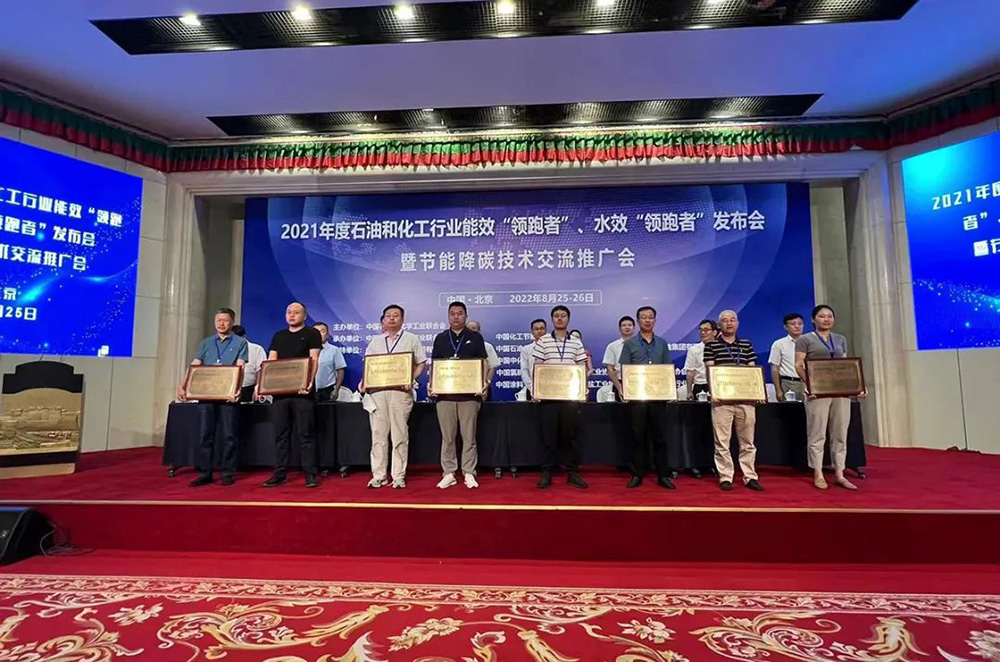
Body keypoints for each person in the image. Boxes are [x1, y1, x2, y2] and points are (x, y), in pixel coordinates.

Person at [795, 304, 865, 490]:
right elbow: (799, 365)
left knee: (840, 433)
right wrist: (810, 384)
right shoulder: (805, 339)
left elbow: (847, 366)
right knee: (817, 433)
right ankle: (818, 472)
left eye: (829, 316)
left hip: (840, 392)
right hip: (817, 393)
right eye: (822, 316)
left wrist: (857, 386)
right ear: (813, 319)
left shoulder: (840, 339)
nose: (826, 319)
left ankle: (839, 473)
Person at [177, 308, 248, 487]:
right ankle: (205, 473)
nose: (221, 323)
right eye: (218, 320)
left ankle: (227, 473)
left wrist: (237, 389)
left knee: (229, 436)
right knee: (204, 435)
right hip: (206, 395)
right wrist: (183, 385)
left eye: (225, 320)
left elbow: (240, 367)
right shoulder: (206, 343)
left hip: (228, 396)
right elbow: (195, 365)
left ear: (232, 322)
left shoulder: (240, 343)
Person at [360, 304, 427, 489]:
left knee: (399, 435)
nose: (392, 318)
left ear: (402, 320)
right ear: (383, 320)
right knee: (378, 435)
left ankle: (398, 475)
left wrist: (411, 378)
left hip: (400, 392)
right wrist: (364, 382)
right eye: (388, 315)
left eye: (396, 315)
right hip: (378, 393)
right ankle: (379, 475)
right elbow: (369, 366)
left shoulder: (411, 339)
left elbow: (421, 363)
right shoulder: (375, 341)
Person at [260, 302, 323, 488]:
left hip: (303, 392)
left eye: (296, 312)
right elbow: (271, 362)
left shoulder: (312, 333)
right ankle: (280, 473)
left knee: (306, 434)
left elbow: (314, 359)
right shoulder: (279, 336)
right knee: (281, 435)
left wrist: (309, 381)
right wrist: (264, 384)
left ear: (304, 316)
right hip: (280, 393)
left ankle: (310, 474)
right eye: (289, 312)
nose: (292, 315)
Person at [431, 302, 489, 489]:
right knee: (447, 438)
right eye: (452, 313)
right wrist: (433, 385)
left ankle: (469, 472)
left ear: (466, 316)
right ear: (448, 316)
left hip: (469, 396)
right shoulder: (441, 338)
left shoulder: (475, 337)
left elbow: (483, 362)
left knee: (469, 437)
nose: (456, 317)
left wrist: (483, 383)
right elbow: (435, 365)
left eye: (460, 313)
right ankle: (449, 473)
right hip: (445, 397)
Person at [704, 310, 763, 492]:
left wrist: (756, 392)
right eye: (724, 320)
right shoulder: (711, 345)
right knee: (722, 442)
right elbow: (709, 370)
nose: (729, 323)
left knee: (748, 442)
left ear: (737, 323)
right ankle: (725, 476)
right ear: (719, 325)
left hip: (745, 401)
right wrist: (714, 391)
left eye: (732, 320)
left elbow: (752, 370)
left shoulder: (746, 344)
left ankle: (750, 476)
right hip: (722, 402)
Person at [618, 306, 675, 489]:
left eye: (650, 317)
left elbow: (666, 369)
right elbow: (624, 370)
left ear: (655, 321)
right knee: (638, 437)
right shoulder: (629, 344)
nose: (647, 320)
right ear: (638, 321)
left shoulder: (662, 343)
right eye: (643, 317)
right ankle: (637, 474)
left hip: (658, 397)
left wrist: (668, 391)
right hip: (637, 399)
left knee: (660, 437)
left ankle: (663, 475)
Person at [533, 306, 589, 489]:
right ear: (552, 320)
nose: (559, 319)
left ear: (568, 319)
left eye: (563, 316)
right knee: (548, 437)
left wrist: (582, 390)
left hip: (570, 398)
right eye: (556, 316)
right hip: (548, 398)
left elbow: (582, 368)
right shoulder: (543, 341)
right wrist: (536, 390)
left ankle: (573, 472)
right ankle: (546, 473)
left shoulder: (576, 342)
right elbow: (538, 367)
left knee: (570, 437)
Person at [769, 313, 806, 402]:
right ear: (786, 327)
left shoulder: (810, 342)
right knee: (790, 410)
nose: (797, 326)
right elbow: (775, 368)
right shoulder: (779, 344)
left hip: (808, 383)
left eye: (800, 324)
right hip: (789, 384)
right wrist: (778, 390)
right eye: (793, 324)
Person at [684, 319, 717, 401]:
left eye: (706, 330)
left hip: (718, 385)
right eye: (701, 330)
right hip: (700, 385)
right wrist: (689, 391)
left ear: (714, 332)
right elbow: (690, 372)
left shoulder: (721, 348)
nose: (703, 332)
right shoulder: (694, 349)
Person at [313, 322, 347, 402]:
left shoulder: (334, 350)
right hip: (310, 392)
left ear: (327, 335)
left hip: (327, 391)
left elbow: (340, 371)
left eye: (322, 331)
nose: (319, 334)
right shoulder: (306, 350)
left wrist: (336, 389)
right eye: (316, 332)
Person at [603, 316, 635, 401]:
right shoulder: (612, 346)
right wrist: (619, 387)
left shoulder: (641, 346)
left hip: (637, 381)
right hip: (619, 382)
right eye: (624, 325)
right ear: (619, 328)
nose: (627, 327)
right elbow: (610, 369)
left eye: (629, 325)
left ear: (634, 328)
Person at [466, 320, 499, 399]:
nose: (471, 331)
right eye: (468, 328)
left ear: (479, 331)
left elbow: (492, 367)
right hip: (464, 385)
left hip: (483, 386)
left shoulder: (487, 346)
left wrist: (487, 383)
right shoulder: (460, 347)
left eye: (473, 328)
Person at [233, 325, 266, 403]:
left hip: (250, 388)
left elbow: (261, 370)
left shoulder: (256, 349)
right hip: (230, 388)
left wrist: (258, 388)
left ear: (244, 336)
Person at [519, 318, 548, 399]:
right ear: (532, 332)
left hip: (550, 389)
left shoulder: (552, 347)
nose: (539, 331)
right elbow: (524, 371)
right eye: (536, 329)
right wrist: (533, 389)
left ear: (546, 330)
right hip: (531, 390)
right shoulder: (526, 349)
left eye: (542, 328)